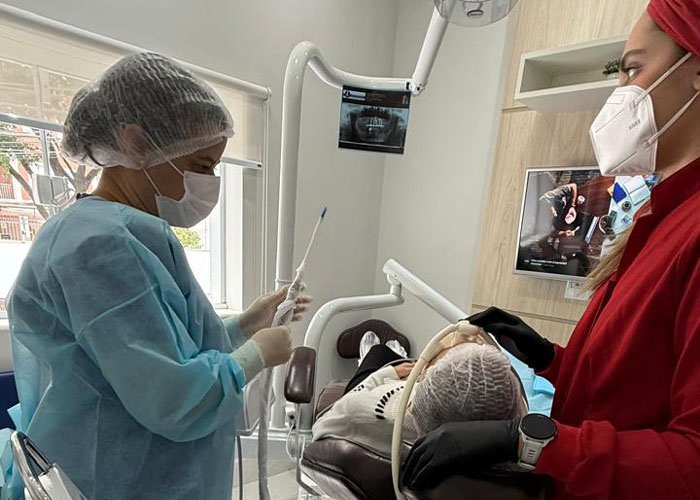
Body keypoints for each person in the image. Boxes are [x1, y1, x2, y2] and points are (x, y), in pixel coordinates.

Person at [403, 1, 700, 498]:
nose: (619, 94)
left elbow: (692, 461)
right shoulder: (661, 218)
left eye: (632, 70)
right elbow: (628, 389)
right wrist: (551, 358)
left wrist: (526, 441)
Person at [0, 53, 310, 500]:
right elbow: (171, 399)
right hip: (114, 479)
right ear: (137, 142)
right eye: (202, 165)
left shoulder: (123, 232)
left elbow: (167, 350)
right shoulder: (99, 246)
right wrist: (256, 355)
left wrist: (248, 324)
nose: (210, 181)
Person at [312, 327, 526, 456]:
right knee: (400, 361)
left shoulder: (356, 411)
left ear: (427, 378)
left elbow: (322, 425)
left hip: (377, 395)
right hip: (410, 394)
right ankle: (394, 355)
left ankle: (372, 357)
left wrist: (386, 374)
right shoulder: (490, 447)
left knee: (378, 355)